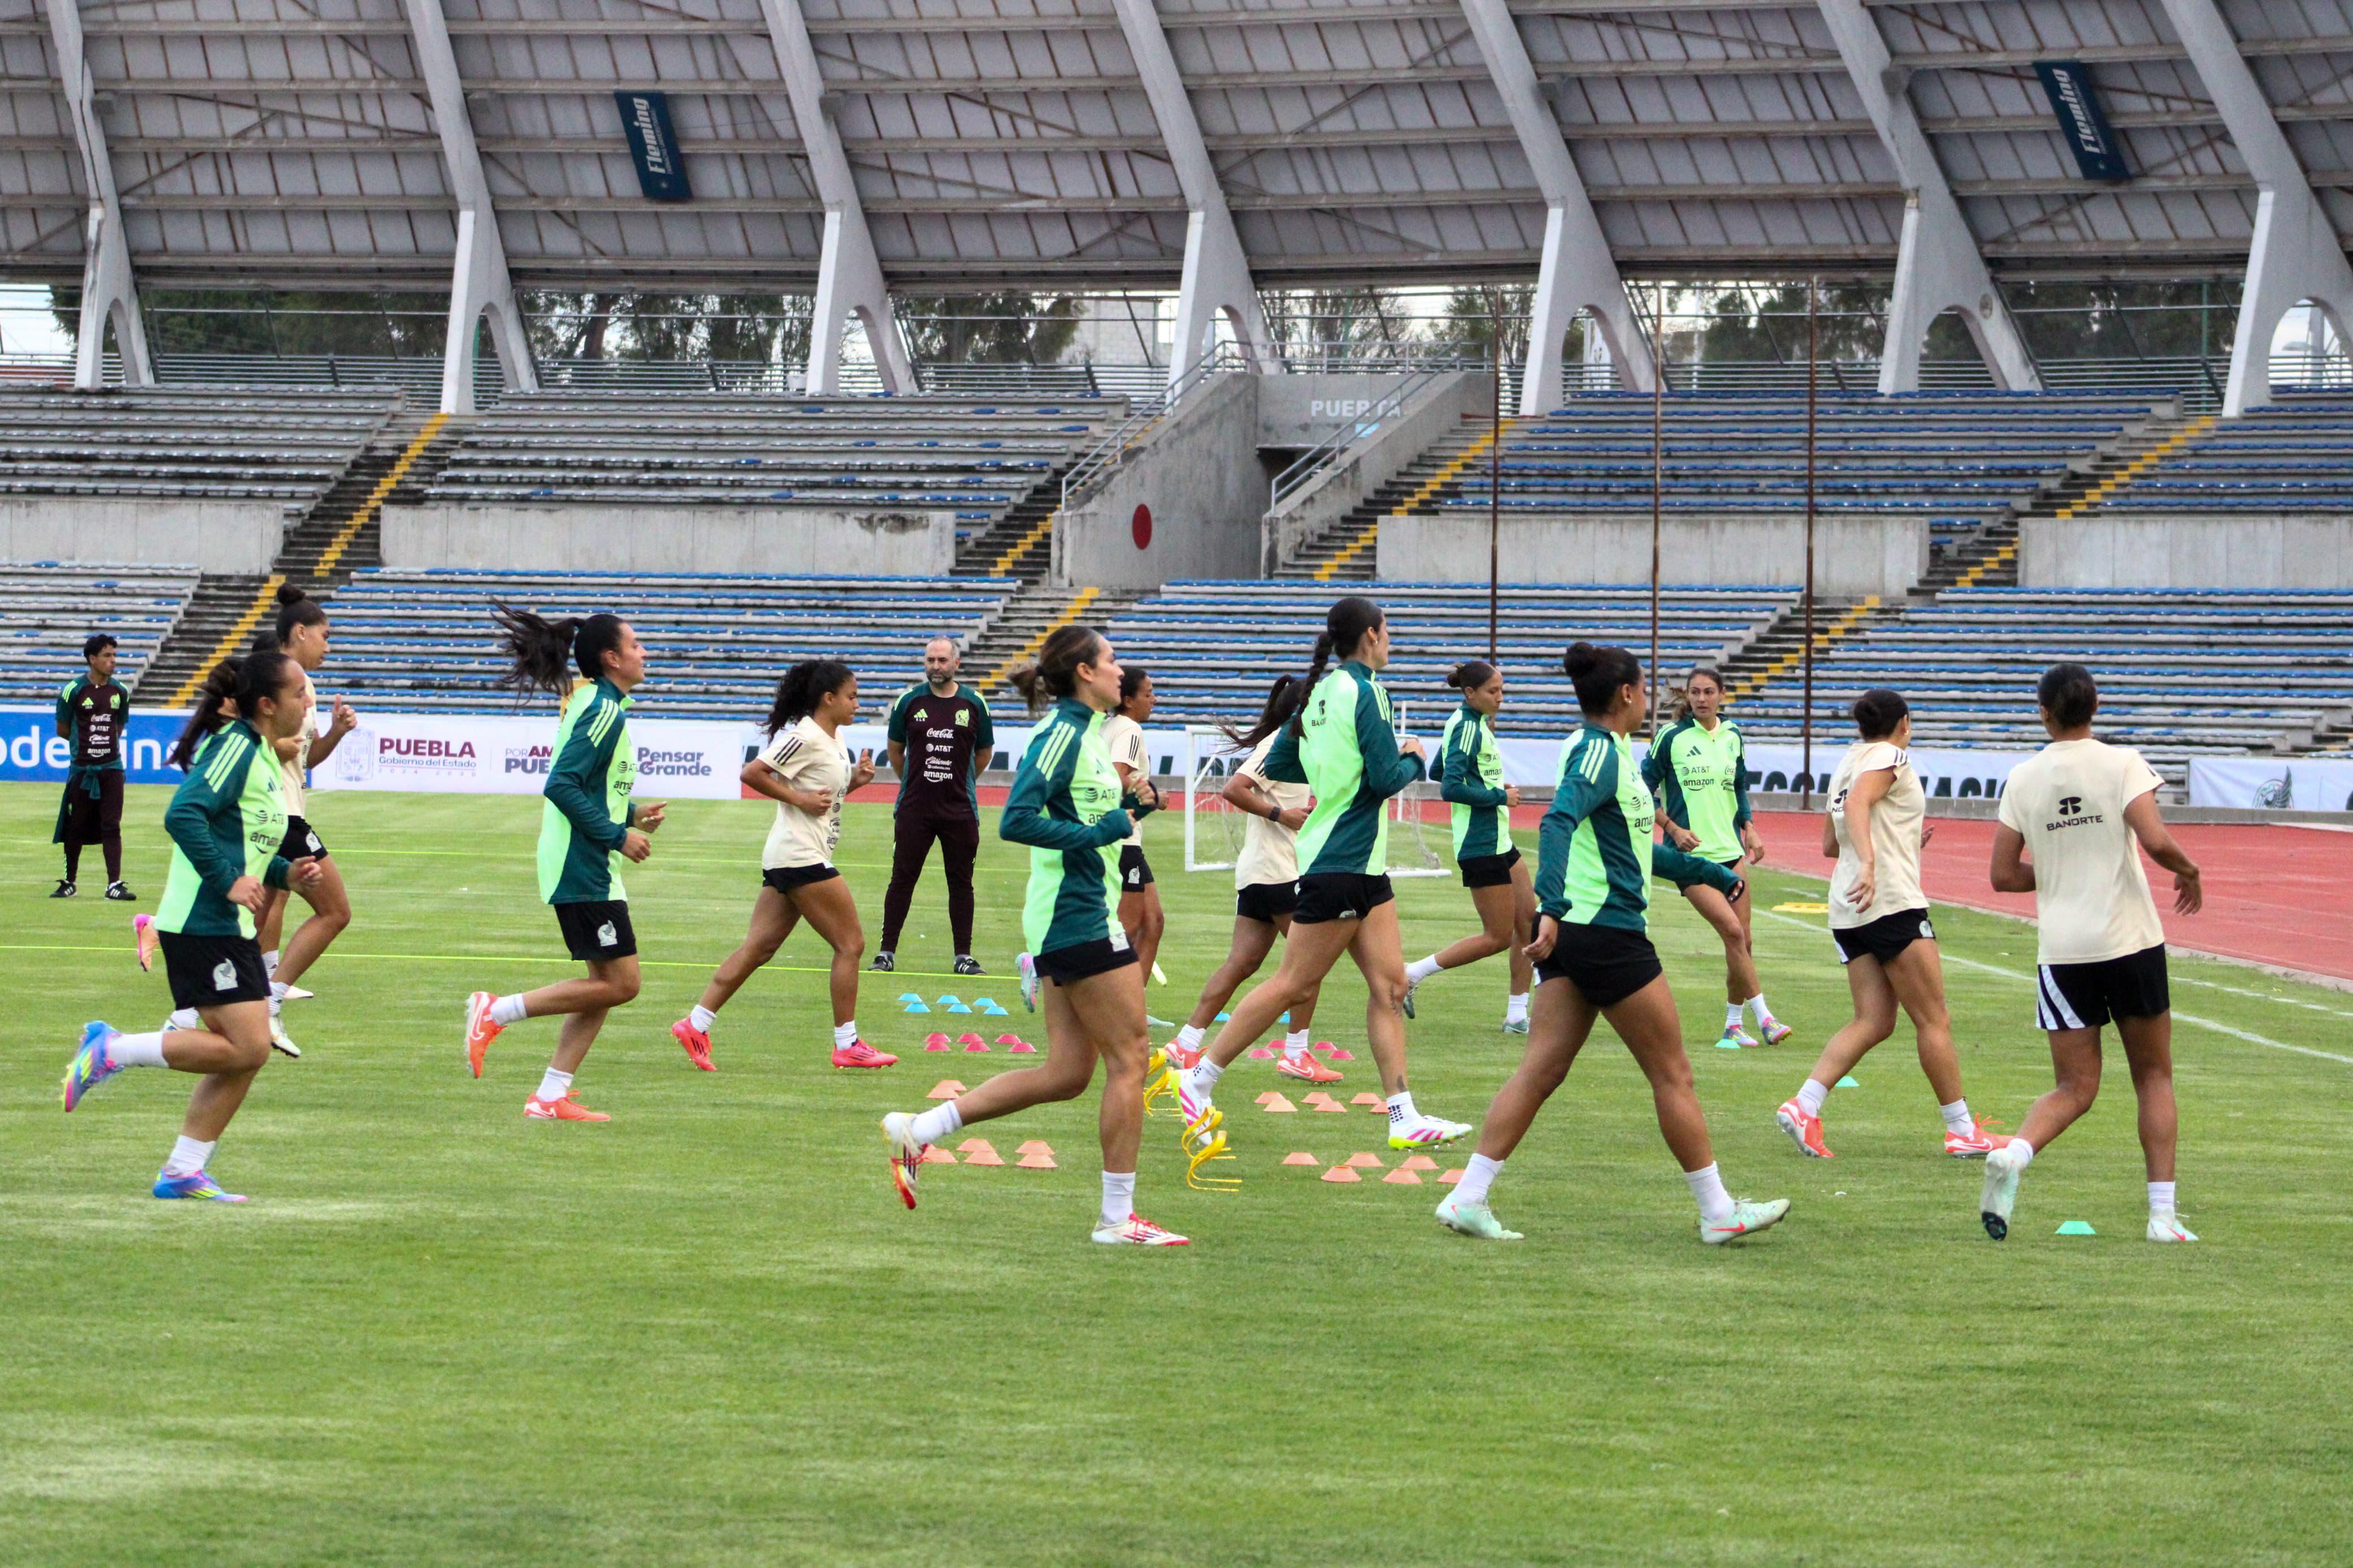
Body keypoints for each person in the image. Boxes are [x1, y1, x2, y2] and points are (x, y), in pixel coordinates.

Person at [1434, 642, 1789, 1245]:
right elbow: (1557, 820)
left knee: (1540, 1070)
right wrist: (1549, 905)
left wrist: (1707, 872)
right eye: (1645, 688)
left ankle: (1466, 1196)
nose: (1649, 698)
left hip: (1581, 933)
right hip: (1606, 933)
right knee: (1672, 1073)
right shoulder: (1599, 753)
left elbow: (1630, 849)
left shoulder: (1608, 751)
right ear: (1626, 694)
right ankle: (1718, 1210)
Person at [880, 624, 1187, 1246]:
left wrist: (1134, 809)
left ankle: (921, 1127)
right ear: (1085, 672)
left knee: (1068, 1073)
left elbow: (1093, 819)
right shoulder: (1061, 734)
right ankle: (1117, 1219)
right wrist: (1098, 833)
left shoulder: (1090, 733)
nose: (1120, 670)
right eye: (1111, 660)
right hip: (1076, 913)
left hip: (1077, 910)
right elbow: (1017, 819)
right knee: (1130, 1057)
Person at [1171, 596, 1471, 1154]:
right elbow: (1385, 778)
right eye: (1387, 630)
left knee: (1390, 986)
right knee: (1293, 982)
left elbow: (1282, 763)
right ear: (1371, 636)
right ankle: (1198, 1078)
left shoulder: (1318, 694)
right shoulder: (1368, 691)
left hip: (1361, 863)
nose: (1390, 640)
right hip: (1342, 859)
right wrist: (1414, 754)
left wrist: (1332, 767)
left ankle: (1403, 1115)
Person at [61, 652, 323, 1201]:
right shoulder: (236, 747)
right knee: (248, 1047)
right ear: (267, 704)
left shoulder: (263, 754)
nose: (308, 701)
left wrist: (286, 873)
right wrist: (228, 881)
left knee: (249, 1050)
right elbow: (183, 813)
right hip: (203, 921)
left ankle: (184, 1169)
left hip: (228, 924)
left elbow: (245, 843)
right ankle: (111, 1050)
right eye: (299, 692)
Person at [1979, 663, 2204, 1243]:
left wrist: (2057, 870)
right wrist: (2189, 869)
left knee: (2074, 1087)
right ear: (2096, 706)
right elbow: (2154, 839)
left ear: (2043, 713)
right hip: (2129, 941)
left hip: (2063, 952)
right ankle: (2161, 1217)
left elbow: (2002, 874)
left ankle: (2015, 1152)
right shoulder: (2122, 762)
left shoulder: (2022, 777)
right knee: (2153, 1075)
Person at [1772, 689, 2007, 1163]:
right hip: (1890, 902)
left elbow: (1831, 843)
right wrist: (1872, 862)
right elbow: (1860, 804)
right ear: (1904, 722)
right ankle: (1962, 1129)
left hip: (1849, 909)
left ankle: (1804, 1105)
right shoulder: (1891, 756)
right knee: (1934, 1018)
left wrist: (1895, 842)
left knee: (1874, 1020)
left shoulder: (1848, 762)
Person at [462, 606, 666, 1121]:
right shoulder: (603, 710)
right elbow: (561, 785)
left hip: (586, 861)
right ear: (612, 658)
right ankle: (495, 1011)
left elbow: (589, 786)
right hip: (583, 863)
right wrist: (619, 835)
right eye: (636, 644)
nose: (645, 652)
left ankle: (550, 1095)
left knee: (603, 986)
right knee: (622, 984)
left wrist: (632, 813)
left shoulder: (596, 701)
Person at [673, 660, 890, 1071]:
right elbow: (752, 773)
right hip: (799, 856)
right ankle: (848, 1043)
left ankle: (695, 1023)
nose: (858, 704)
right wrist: (799, 800)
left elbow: (821, 793)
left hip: (791, 858)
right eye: (852, 696)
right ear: (829, 698)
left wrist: (854, 781)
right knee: (851, 944)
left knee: (759, 948)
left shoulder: (834, 736)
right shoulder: (805, 735)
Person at [1160, 675, 1330, 1084]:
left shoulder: (1299, 745)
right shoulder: (1278, 744)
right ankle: (1296, 1054)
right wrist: (1282, 815)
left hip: (1261, 872)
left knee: (1242, 962)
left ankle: (1185, 1042)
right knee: (1308, 966)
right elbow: (1234, 789)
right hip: (1279, 872)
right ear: (1303, 708)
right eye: (1320, 704)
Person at [1644, 666, 1787, 1048]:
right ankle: (1766, 1018)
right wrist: (1672, 829)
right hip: (1690, 860)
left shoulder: (1733, 734)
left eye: (1709, 691)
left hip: (1731, 853)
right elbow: (1641, 790)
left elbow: (1738, 786)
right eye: (1695, 692)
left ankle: (1733, 1025)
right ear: (1688, 696)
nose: (1702, 698)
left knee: (1744, 942)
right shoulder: (1671, 737)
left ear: (1722, 694)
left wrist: (1749, 826)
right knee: (1733, 933)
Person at [250, 585, 359, 1057]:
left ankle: (203, 1007)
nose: (328, 646)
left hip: (279, 809)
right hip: (280, 813)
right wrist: (276, 746)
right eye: (325, 636)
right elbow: (251, 738)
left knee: (256, 911)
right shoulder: (282, 680)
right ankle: (269, 1003)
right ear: (299, 632)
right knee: (335, 911)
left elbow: (305, 758)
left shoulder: (302, 684)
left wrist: (336, 732)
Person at [1401, 660, 1534, 1034]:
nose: (1500, 697)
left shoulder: (1472, 723)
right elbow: (1448, 787)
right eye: (1493, 691)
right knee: (1497, 937)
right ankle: (1411, 973)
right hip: (1481, 843)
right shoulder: (1466, 727)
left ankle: (1517, 1017)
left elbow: (1440, 770)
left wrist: (1490, 785)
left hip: (1499, 839)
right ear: (1470, 693)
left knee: (1529, 922)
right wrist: (1499, 796)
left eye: (1502, 690)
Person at [874, 635, 994, 976]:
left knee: (961, 883)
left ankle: (963, 957)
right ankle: (885, 953)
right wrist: (912, 782)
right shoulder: (908, 702)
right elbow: (895, 750)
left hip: (960, 810)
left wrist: (961, 781)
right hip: (915, 809)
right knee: (902, 879)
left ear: (957, 663)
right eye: (930, 660)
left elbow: (984, 753)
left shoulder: (975, 703)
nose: (936, 666)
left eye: (942, 660)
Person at [53, 632, 132, 901]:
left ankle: (114, 885)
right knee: (76, 825)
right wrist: (84, 747)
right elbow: (63, 729)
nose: (113, 661)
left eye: (114, 655)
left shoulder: (120, 691)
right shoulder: (73, 690)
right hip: (82, 770)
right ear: (92, 659)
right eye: (107, 656)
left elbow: (118, 727)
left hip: (112, 769)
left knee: (112, 825)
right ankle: (70, 882)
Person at [1102, 666, 1166, 984]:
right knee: (1124, 930)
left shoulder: (1109, 726)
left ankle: (1134, 1004)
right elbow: (1116, 778)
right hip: (1123, 839)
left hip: (1119, 837)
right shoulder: (1129, 729)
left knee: (1153, 922)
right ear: (1128, 700)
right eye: (1148, 693)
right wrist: (1152, 795)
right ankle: (1096, 996)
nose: (1155, 699)